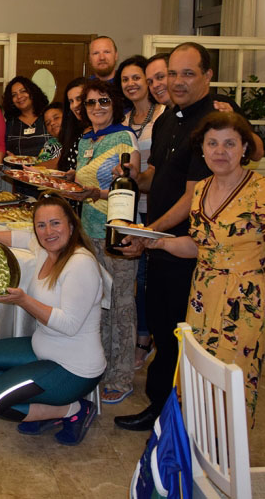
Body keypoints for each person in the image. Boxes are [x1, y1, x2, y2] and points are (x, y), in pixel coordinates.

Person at [138, 112, 265, 421]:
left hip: (243, 300)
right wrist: (160, 242)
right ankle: (198, 442)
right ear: (202, 149)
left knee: (232, 380)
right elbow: (199, 246)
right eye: (212, 144)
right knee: (197, 374)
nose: (220, 151)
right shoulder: (201, 189)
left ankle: (228, 448)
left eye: (230, 144)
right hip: (201, 295)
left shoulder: (262, 188)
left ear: (244, 148)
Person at [115, 42, 253, 431]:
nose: (177, 81)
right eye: (172, 73)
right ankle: (161, 410)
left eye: (187, 74)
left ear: (208, 76)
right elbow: (157, 176)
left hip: (191, 248)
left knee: (181, 332)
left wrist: (149, 231)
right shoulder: (166, 119)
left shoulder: (213, 125)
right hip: (160, 243)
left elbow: (194, 196)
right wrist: (132, 178)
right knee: (162, 326)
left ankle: (175, 417)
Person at [0, 195, 106, 446]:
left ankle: (74, 409)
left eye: (55, 223)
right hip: (44, 349)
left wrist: (24, 300)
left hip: (74, 367)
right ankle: (46, 408)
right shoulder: (46, 249)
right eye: (41, 225)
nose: (48, 232)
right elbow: (23, 238)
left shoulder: (80, 264)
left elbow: (69, 325)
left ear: (71, 226)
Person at [62, 79, 139, 404]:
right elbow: (87, 178)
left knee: (120, 304)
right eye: (90, 102)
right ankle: (99, 367)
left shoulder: (124, 136)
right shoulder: (85, 140)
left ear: (115, 104)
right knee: (97, 303)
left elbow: (130, 182)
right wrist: (71, 179)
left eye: (103, 101)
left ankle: (121, 377)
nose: (97, 107)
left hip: (117, 232)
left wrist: (96, 192)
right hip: (88, 230)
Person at [114, 55, 166, 368]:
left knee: (151, 278)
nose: (131, 84)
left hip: (158, 207)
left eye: (137, 78)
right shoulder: (123, 120)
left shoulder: (163, 115)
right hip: (129, 207)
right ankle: (142, 334)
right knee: (136, 275)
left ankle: (146, 339)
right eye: (125, 79)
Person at [56, 77, 87, 174]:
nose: (74, 105)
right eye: (71, 101)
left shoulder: (101, 132)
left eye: (79, 99)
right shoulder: (74, 131)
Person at [36, 101, 63, 168]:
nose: (52, 123)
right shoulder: (50, 144)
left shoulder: (81, 139)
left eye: (56, 118)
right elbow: (38, 166)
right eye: (48, 123)